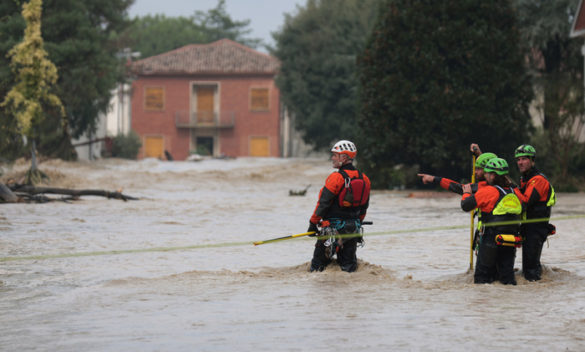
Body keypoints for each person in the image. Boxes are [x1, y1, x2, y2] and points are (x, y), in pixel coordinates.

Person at [308, 140, 371, 272]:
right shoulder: (365, 179)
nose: (332, 158)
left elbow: (323, 204)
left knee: (316, 269)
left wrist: (313, 224)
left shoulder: (336, 178)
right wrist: (357, 223)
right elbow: (364, 207)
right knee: (349, 270)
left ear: (344, 157)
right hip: (352, 231)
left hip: (331, 232)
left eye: (335, 155)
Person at [460, 158, 522, 285]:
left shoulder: (488, 191)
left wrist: (466, 193)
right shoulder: (515, 192)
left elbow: (465, 205)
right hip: (510, 240)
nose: (485, 176)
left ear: (493, 175)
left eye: (487, 174)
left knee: (482, 279)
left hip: (490, 239)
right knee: (507, 278)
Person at [513, 144, 556, 281]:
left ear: (532, 161)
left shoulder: (538, 180)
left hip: (536, 229)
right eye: (518, 159)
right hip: (528, 228)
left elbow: (525, 201)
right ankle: (532, 296)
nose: (520, 162)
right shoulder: (525, 178)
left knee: (530, 272)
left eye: (524, 159)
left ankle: (537, 295)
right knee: (528, 268)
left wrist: (512, 188)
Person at [417, 151, 498, 195]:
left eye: (479, 169)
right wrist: (479, 154)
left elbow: (458, 188)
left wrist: (433, 179)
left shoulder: (483, 188)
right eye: (475, 169)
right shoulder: (507, 186)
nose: (475, 172)